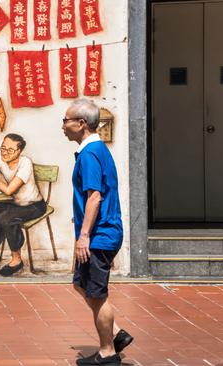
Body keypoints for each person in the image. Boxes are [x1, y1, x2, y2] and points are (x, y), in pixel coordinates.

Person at [62, 99, 133, 365]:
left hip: (100, 234)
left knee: (97, 294)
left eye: (66, 120)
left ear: (81, 124)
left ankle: (107, 352)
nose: (63, 125)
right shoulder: (95, 150)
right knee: (81, 284)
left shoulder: (90, 154)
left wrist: (84, 236)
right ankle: (116, 334)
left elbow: (95, 197)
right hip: (102, 231)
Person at [0, 133, 46, 276]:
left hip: (33, 205)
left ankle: (16, 260)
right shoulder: (0, 158)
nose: (5, 153)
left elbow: (9, 190)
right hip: (15, 203)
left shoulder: (25, 163)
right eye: (3, 148)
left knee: (6, 218)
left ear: (19, 151)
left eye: (10, 150)